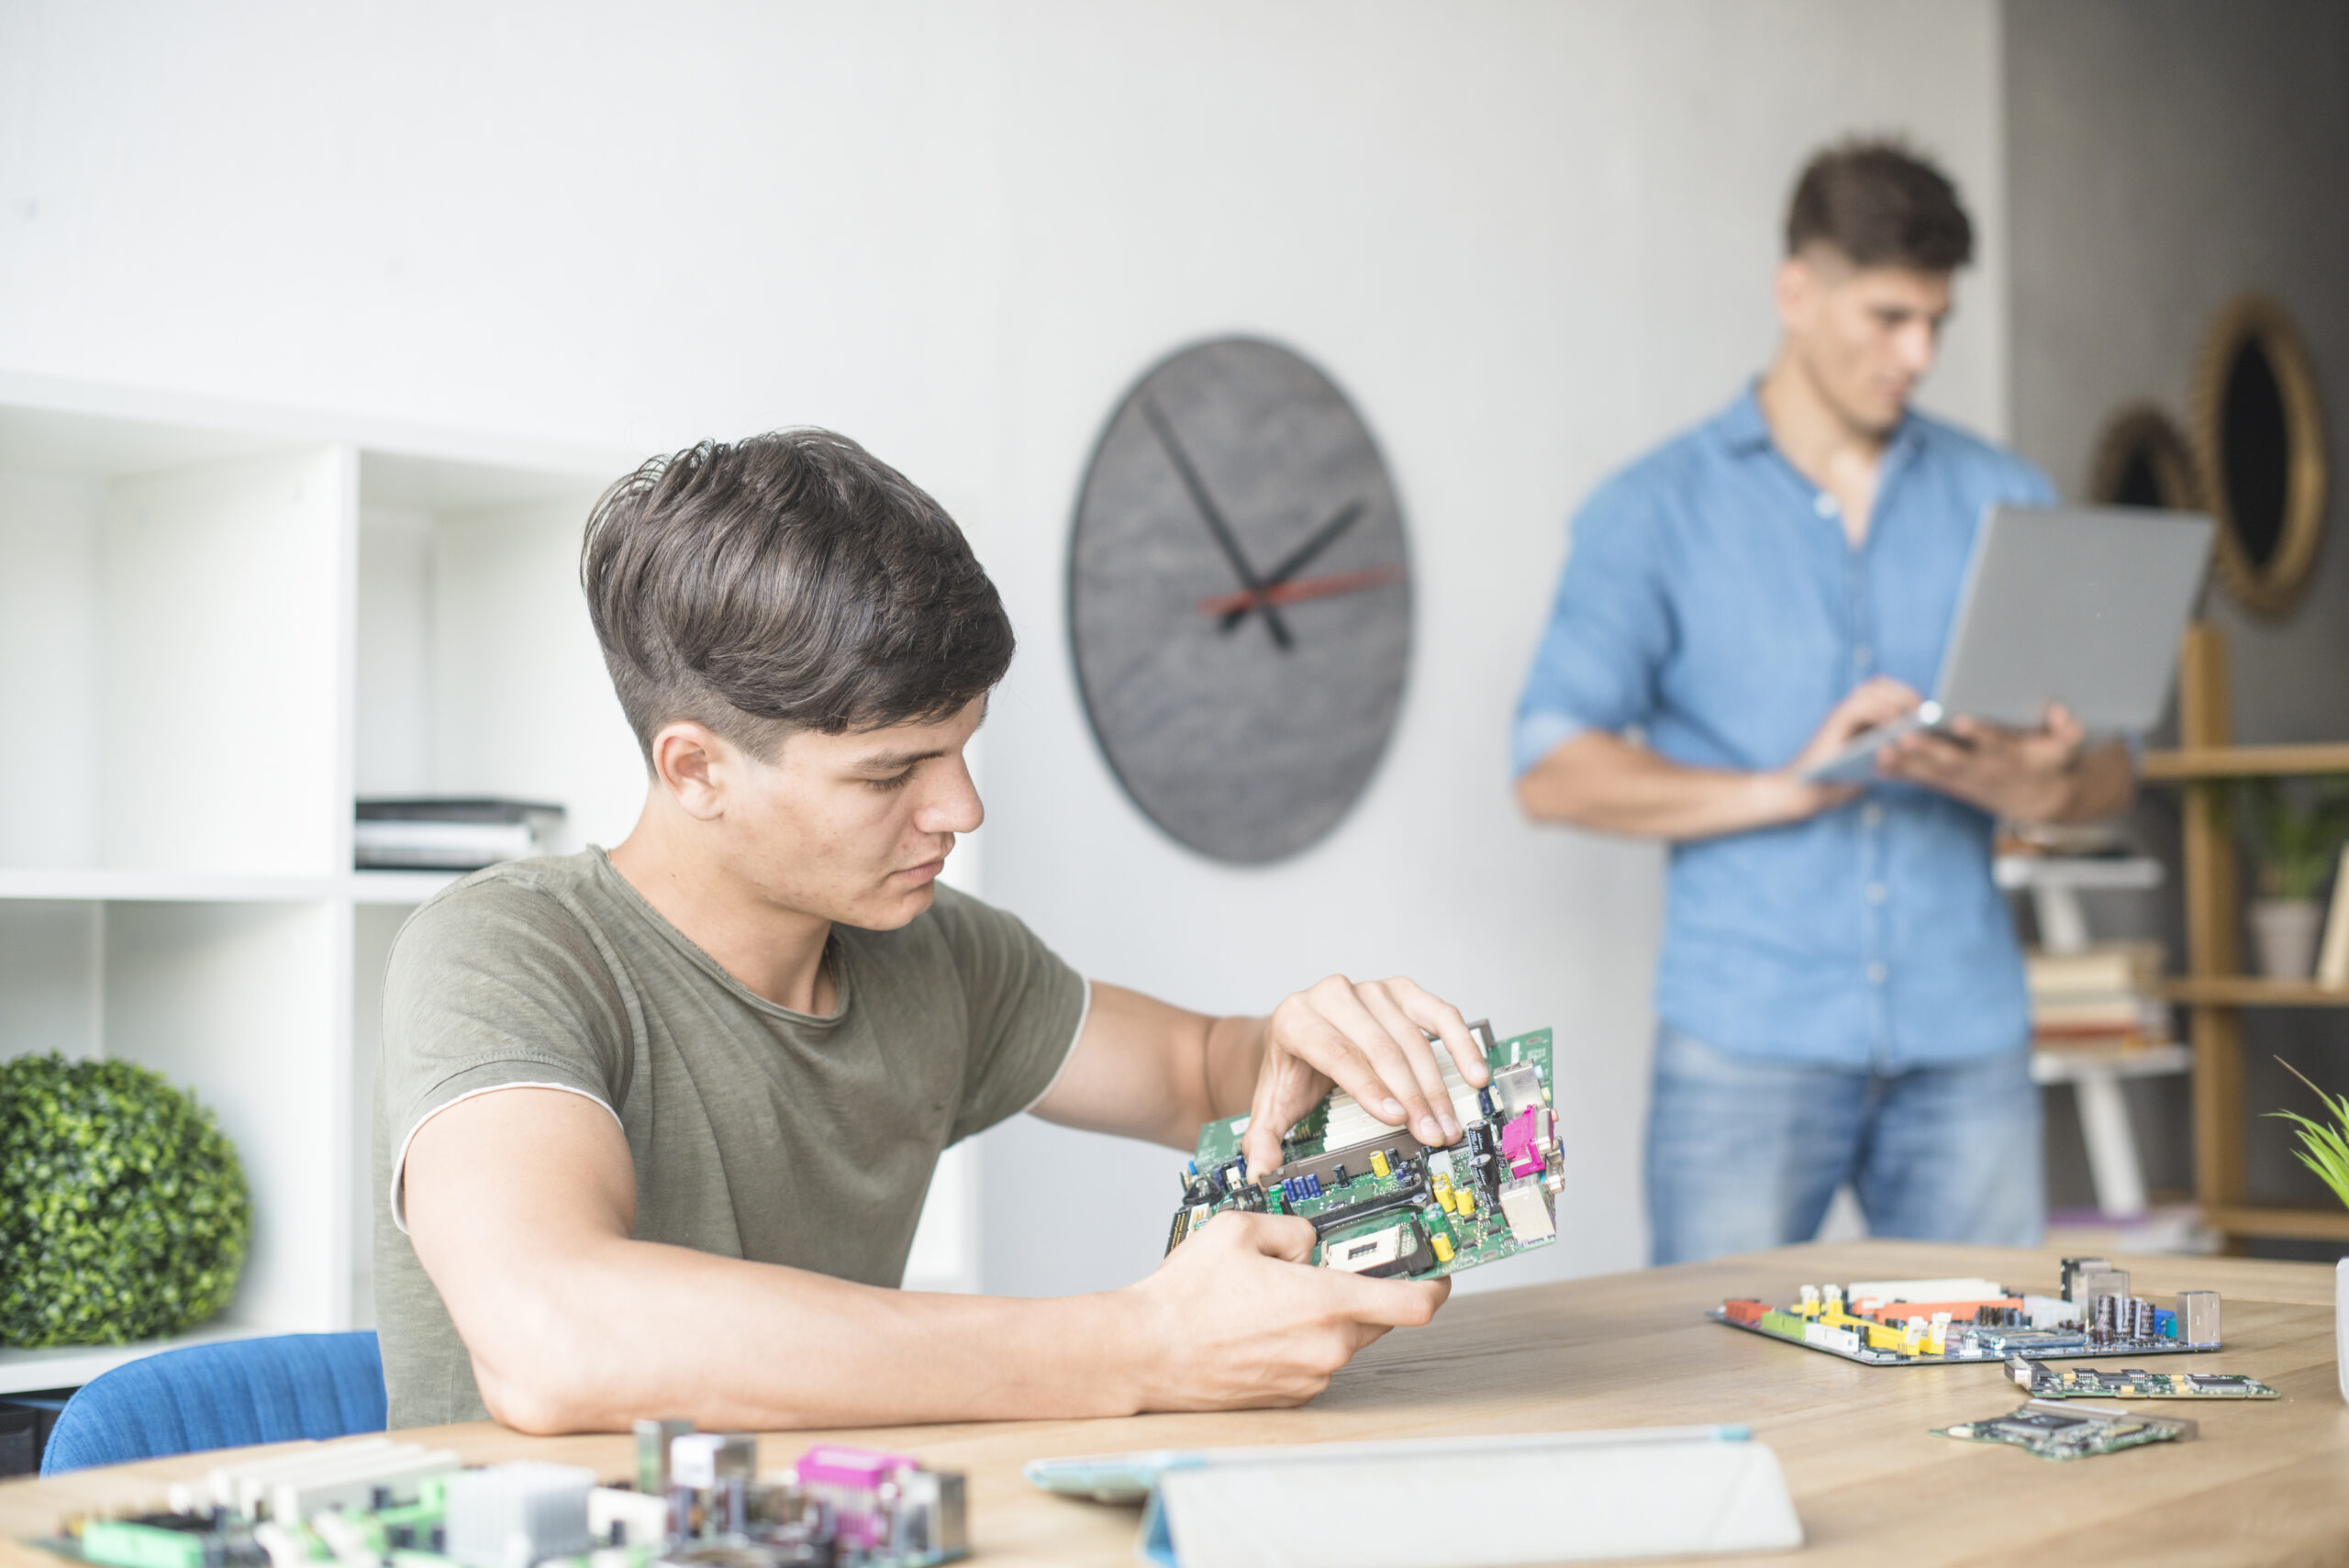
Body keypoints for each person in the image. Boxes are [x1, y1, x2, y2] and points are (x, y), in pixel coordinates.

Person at [377, 430, 1479, 1431]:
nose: (960, 808)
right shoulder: (502, 954)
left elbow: (1202, 1073)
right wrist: (1140, 1345)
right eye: (891, 771)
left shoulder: (940, 954)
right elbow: (553, 1337)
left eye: (961, 746)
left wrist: (1300, 1042)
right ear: (696, 768)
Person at [1512, 139, 2132, 1266]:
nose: (1918, 353)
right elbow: (1551, 768)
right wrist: (1783, 786)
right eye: (1889, 317)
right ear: (1796, 289)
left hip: (1966, 1036)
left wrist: (2041, 781)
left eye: (1936, 322)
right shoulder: (1650, 509)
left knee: (1997, 1386)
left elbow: (2110, 771)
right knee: (1723, 1379)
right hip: (1745, 1040)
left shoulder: (2008, 494)